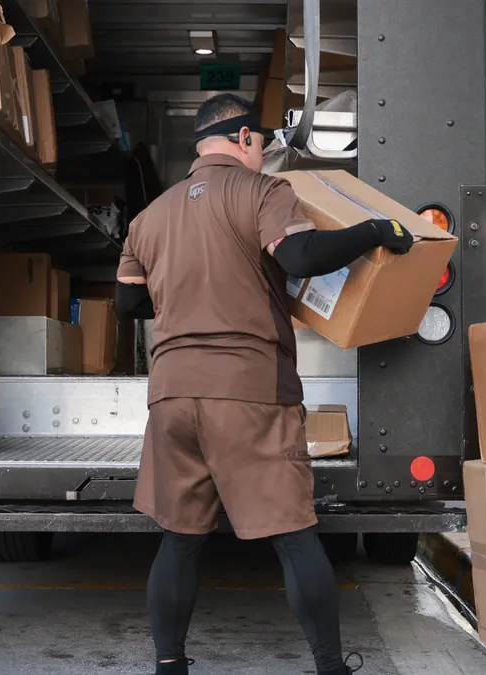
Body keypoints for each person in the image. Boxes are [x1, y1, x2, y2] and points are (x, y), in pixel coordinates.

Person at [114, 93, 414, 675]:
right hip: (249, 391)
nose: (265, 155)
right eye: (264, 145)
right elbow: (300, 256)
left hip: (171, 393)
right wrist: (376, 228)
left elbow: (129, 302)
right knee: (293, 536)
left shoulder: (148, 218)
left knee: (179, 538)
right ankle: (330, 666)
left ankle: (169, 664)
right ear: (245, 138)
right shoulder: (263, 193)